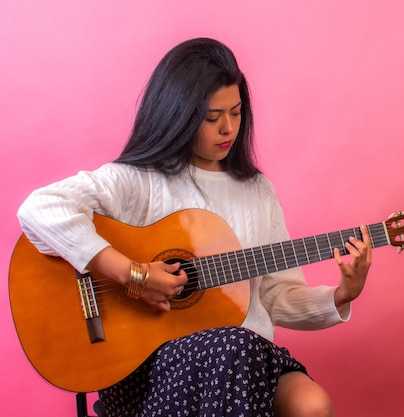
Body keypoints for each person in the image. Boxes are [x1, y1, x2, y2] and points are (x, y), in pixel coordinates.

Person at [16, 38, 372, 417]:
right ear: (178, 113)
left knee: (311, 404)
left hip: (245, 353)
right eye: (211, 117)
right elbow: (40, 208)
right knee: (234, 347)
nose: (228, 128)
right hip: (150, 366)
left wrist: (341, 294)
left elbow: (273, 296)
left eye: (236, 113)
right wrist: (132, 274)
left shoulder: (257, 191)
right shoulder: (138, 180)